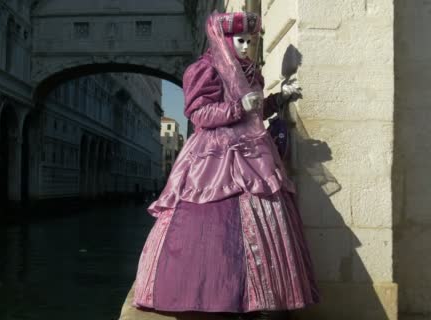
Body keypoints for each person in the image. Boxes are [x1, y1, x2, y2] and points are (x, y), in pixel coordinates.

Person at [131, 11, 320, 317]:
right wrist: (236, 107)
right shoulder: (205, 69)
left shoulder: (250, 73)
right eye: (241, 41)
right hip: (213, 157)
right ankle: (209, 294)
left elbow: (254, 112)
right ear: (226, 40)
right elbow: (199, 114)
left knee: (264, 210)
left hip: (254, 154)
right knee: (207, 223)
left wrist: (277, 99)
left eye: (252, 41)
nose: (247, 47)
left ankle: (259, 295)